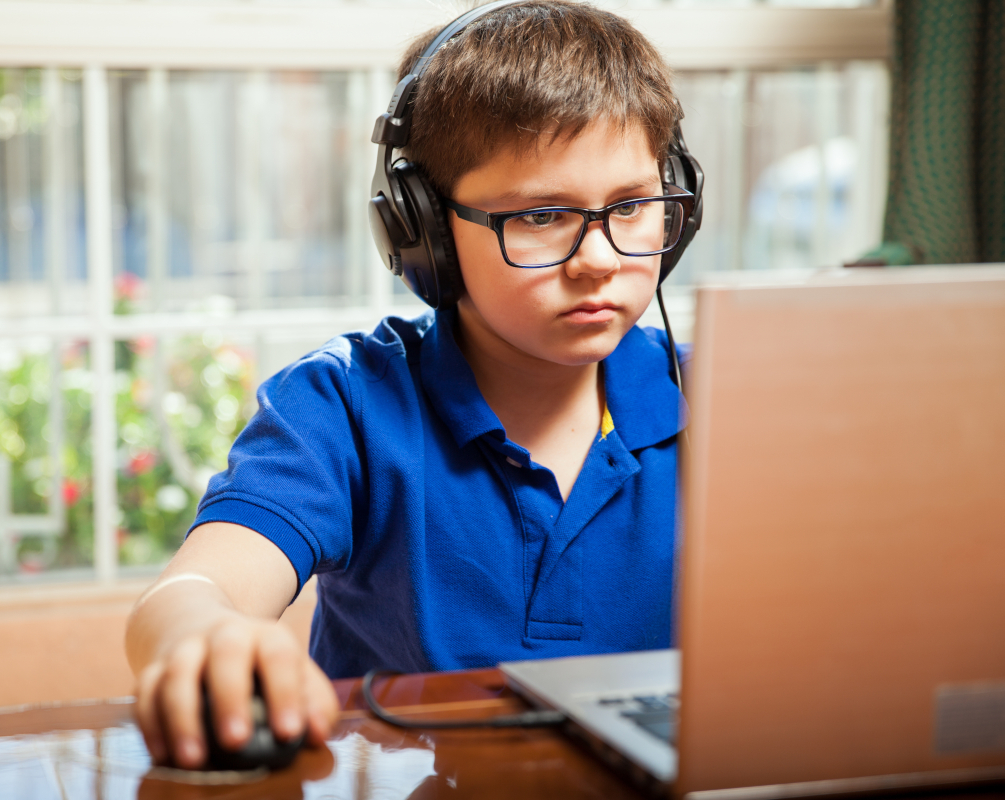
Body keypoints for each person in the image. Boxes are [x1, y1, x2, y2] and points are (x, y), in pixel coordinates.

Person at [125, 0, 696, 770]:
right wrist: (206, 633)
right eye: (539, 216)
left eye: (630, 206)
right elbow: (193, 588)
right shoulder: (344, 405)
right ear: (421, 230)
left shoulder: (725, 399)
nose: (598, 258)